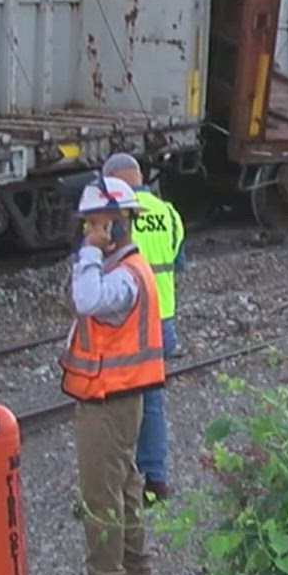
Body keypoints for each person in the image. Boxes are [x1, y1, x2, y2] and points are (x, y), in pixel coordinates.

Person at [57, 175, 166, 575]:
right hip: (119, 395)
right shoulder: (127, 268)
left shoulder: (121, 277)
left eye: (93, 225)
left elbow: (85, 301)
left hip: (109, 399)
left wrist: (88, 254)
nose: (86, 232)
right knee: (124, 487)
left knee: (100, 494)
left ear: (113, 226)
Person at [99, 152, 185, 504]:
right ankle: (156, 480)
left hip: (127, 325)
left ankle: (118, 485)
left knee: (113, 407)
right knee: (151, 404)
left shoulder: (112, 216)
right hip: (162, 323)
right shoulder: (168, 213)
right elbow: (177, 263)